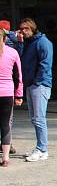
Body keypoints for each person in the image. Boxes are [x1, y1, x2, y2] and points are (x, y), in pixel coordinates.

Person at [17, 17, 53, 162]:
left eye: (26, 28)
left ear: (32, 28)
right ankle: (41, 148)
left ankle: (42, 149)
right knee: (35, 118)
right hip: (32, 84)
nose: (23, 31)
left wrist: (37, 81)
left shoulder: (42, 42)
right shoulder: (29, 42)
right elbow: (20, 58)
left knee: (39, 119)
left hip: (40, 85)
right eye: (21, 29)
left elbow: (46, 64)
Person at [0, 28, 23, 167]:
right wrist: (19, 95)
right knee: (5, 125)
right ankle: (6, 158)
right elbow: (18, 76)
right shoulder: (13, 53)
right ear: (5, 39)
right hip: (7, 93)